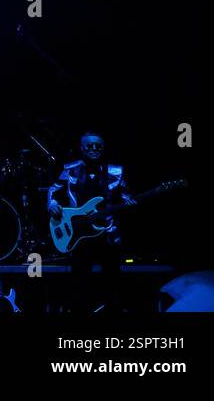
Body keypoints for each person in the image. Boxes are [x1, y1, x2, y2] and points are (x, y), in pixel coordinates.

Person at [47, 131, 135, 311]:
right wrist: (52, 204)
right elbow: (53, 190)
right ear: (81, 148)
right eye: (89, 146)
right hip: (78, 233)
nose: (94, 149)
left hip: (108, 231)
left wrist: (130, 201)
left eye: (98, 146)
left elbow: (126, 195)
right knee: (79, 281)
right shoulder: (70, 169)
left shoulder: (115, 170)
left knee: (112, 280)